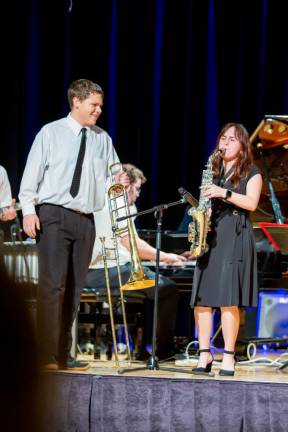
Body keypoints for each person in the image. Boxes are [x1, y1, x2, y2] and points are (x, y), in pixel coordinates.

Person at [19, 79, 129, 371]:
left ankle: (63, 353)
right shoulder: (51, 133)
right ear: (76, 102)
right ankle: (43, 354)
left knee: (74, 289)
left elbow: (113, 173)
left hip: (86, 220)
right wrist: (28, 210)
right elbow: (31, 174)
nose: (99, 111)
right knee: (53, 286)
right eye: (94, 105)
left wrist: (120, 179)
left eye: (101, 106)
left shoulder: (102, 138)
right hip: (54, 213)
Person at [85, 163, 187, 360]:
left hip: (113, 268)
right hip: (102, 272)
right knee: (168, 289)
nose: (139, 194)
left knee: (156, 288)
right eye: (138, 188)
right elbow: (132, 244)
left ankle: (142, 349)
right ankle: (163, 352)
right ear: (127, 184)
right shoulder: (115, 201)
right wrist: (165, 256)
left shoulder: (116, 201)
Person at [190, 122, 262, 376]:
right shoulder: (213, 170)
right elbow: (204, 204)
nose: (225, 143)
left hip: (235, 234)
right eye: (223, 138)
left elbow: (252, 203)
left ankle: (229, 356)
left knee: (228, 301)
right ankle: (204, 354)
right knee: (202, 301)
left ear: (243, 145)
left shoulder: (251, 172)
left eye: (232, 139)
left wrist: (224, 193)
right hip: (211, 237)